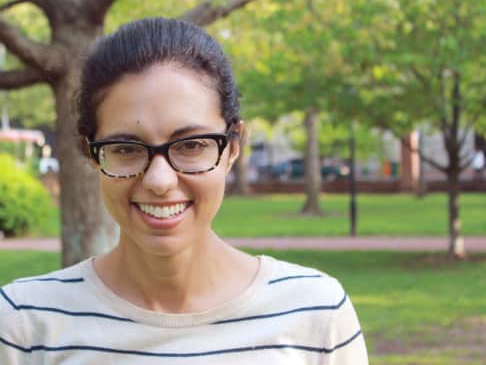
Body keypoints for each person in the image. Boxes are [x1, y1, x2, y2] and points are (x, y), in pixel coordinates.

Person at [0, 18, 368, 364]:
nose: (160, 181)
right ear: (92, 154)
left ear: (233, 147)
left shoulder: (315, 313)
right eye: (126, 149)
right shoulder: (24, 323)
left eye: (191, 145)